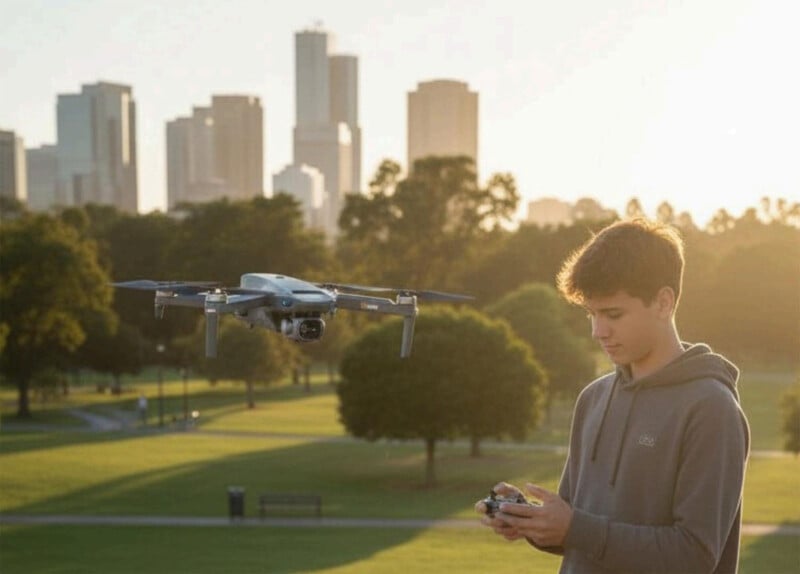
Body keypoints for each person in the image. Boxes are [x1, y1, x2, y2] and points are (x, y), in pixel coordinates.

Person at [477, 218, 750, 573]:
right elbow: (578, 534)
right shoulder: (593, 399)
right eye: (591, 313)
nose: (597, 331)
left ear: (663, 302)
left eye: (613, 314)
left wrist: (576, 527)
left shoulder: (711, 409)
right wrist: (530, 519)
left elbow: (693, 556)